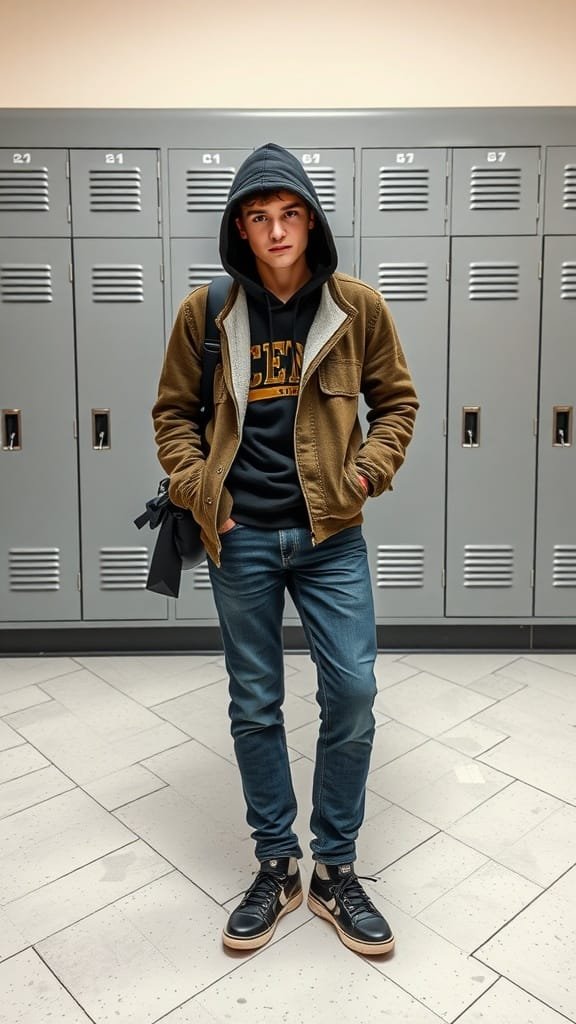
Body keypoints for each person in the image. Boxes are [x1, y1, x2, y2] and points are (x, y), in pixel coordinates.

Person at [152, 142, 418, 956]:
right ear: (242, 227)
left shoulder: (357, 308)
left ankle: (335, 868)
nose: (276, 231)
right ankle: (278, 864)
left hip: (332, 537)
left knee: (355, 694)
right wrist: (207, 498)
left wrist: (368, 473)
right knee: (254, 704)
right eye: (260, 218)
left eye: (289, 214)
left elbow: (397, 403)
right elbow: (172, 419)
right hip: (242, 538)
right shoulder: (208, 314)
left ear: (311, 220)